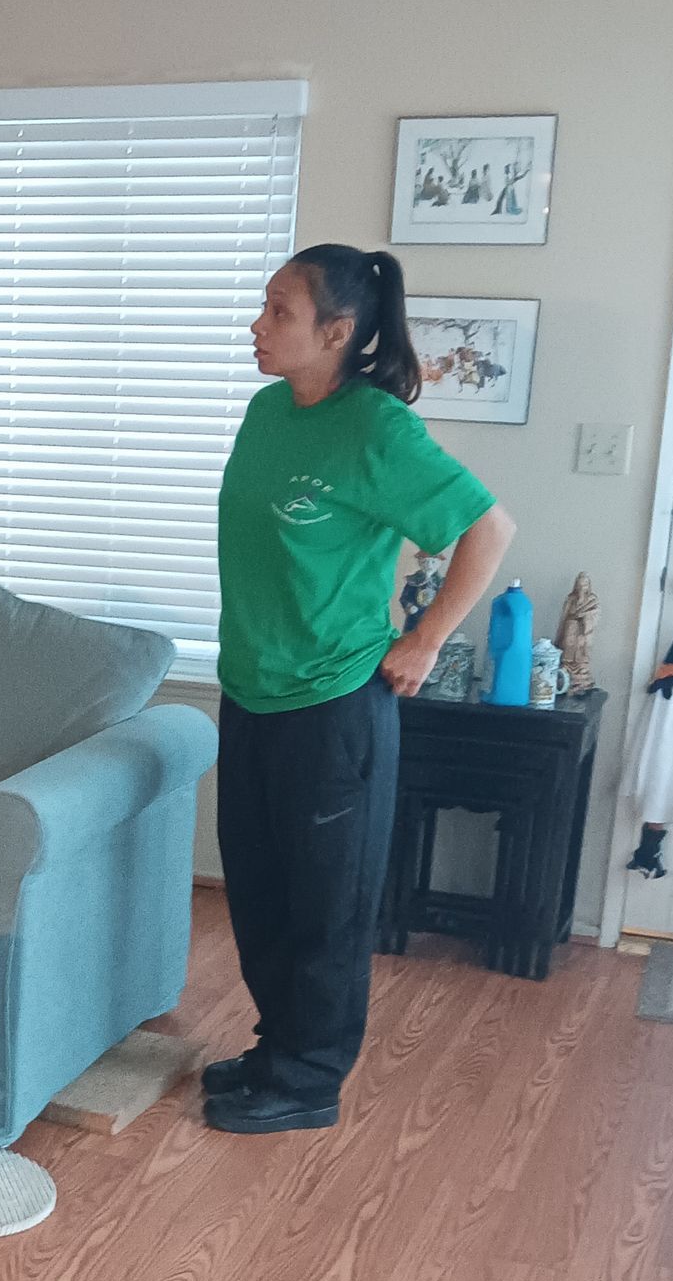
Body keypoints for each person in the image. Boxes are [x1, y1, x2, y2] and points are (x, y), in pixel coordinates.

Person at [206, 244, 516, 1134]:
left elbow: (488, 529)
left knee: (326, 905)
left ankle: (308, 1078)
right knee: (260, 890)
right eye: (263, 309)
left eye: (278, 313)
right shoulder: (269, 412)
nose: (257, 328)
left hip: (333, 703)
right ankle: (278, 1048)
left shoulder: (378, 428)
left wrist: (425, 640)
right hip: (253, 689)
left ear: (337, 333)